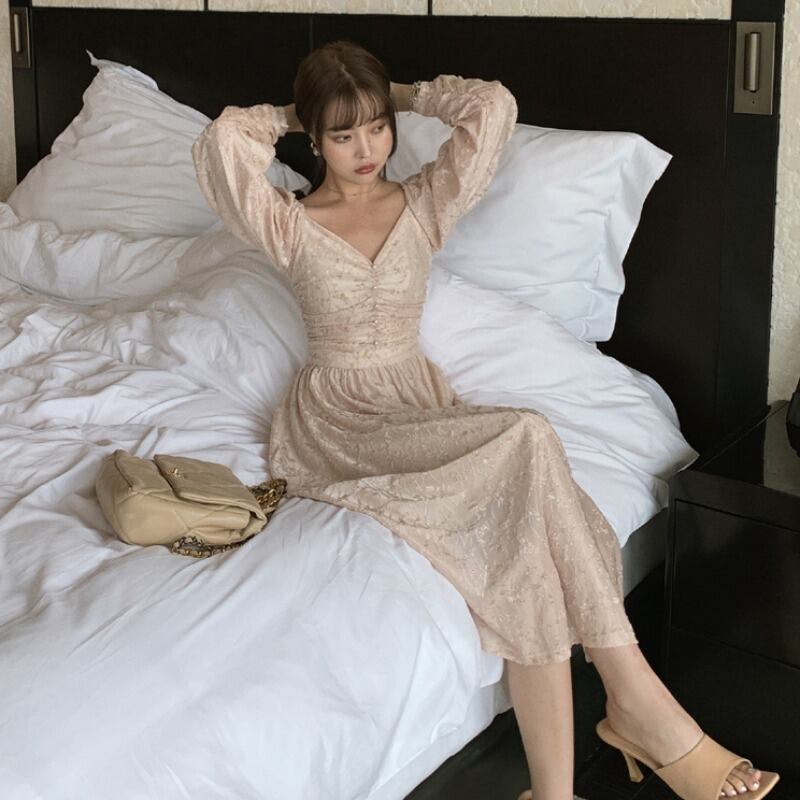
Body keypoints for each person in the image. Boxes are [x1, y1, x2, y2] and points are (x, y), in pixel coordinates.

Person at [191, 39, 779, 800]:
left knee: (524, 546)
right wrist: (301, 109)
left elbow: (491, 107)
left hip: (416, 402)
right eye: (342, 135)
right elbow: (222, 142)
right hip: (335, 421)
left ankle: (555, 791)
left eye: (377, 128)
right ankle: (638, 702)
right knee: (525, 434)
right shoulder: (288, 223)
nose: (367, 150)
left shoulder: (424, 204)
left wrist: (393, 94)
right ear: (314, 139)